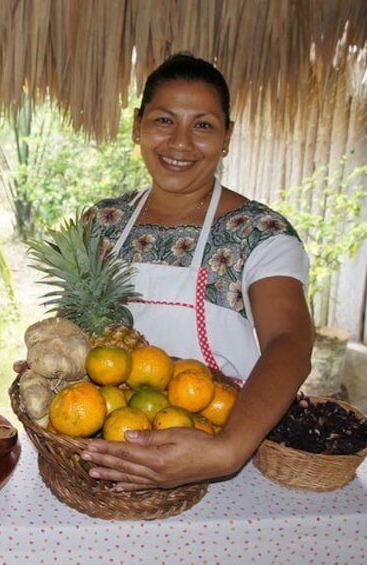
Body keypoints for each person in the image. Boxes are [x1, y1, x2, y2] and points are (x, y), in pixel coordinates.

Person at [79, 52, 314, 490]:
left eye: (202, 124)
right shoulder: (102, 222)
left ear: (227, 136)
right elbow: (87, 332)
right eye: (164, 121)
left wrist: (227, 449)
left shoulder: (259, 233)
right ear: (137, 125)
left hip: (224, 454)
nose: (180, 143)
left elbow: (290, 342)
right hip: (107, 456)